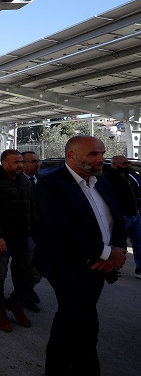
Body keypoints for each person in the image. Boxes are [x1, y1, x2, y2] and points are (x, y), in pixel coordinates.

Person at [36, 136, 126, 375]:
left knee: (69, 322)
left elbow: (116, 219)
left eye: (102, 153)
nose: (101, 159)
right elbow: (60, 231)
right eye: (93, 154)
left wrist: (116, 251)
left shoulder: (102, 181)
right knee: (85, 325)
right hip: (68, 268)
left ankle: (57, 368)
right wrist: (107, 253)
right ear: (71, 156)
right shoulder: (50, 184)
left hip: (99, 266)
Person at [0, 149, 38, 332]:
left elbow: (31, 209)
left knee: (34, 273)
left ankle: (15, 302)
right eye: (16, 162)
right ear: (4, 163)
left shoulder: (24, 181)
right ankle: (0, 309)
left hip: (25, 237)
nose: (21, 165)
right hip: (3, 239)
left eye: (22, 161)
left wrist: (37, 233)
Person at [104, 155, 141, 279]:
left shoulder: (130, 177)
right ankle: (113, 268)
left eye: (128, 163)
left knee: (139, 242)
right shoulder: (108, 179)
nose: (127, 165)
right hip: (121, 218)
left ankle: (139, 269)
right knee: (118, 245)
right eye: (124, 163)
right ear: (114, 164)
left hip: (135, 216)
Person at [21, 151, 43, 312]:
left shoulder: (41, 180)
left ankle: (26, 290)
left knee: (37, 268)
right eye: (33, 161)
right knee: (28, 268)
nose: (38, 164)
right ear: (23, 164)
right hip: (25, 232)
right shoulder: (16, 182)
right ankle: (21, 296)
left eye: (38, 161)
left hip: (41, 231)